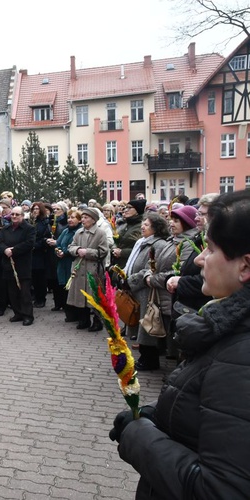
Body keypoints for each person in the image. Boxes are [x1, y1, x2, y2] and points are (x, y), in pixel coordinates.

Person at [111, 189, 250, 498]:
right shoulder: (228, 331)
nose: (200, 259)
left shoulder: (241, 359)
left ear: (245, 266)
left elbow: (219, 489)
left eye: (211, 249)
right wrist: (153, 417)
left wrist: (140, 438)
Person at [150, 205, 200, 360]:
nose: (171, 223)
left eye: (176, 220)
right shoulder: (172, 240)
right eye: (171, 220)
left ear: (187, 222)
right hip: (163, 289)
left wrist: (153, 279)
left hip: (172, 290)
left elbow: (179, 271)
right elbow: (156, 263)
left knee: (177, 334)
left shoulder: (188, 243)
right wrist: (149, 272)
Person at [124, 212, 171, 370]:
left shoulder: (158, 244)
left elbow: (150, 269)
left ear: (156, 228)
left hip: (147, 291)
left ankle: (149, 360)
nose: (142, 226)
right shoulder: (144, 242)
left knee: (148, 326)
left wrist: (131, 280)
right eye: (143, 223)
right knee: (141, 325)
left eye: (147, 224)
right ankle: (145, 358)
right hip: (139, 289)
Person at [66, 208, 109, 331]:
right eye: (82, 217)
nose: (83, 220)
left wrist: (88, 252)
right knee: (80, 295)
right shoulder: (79, 232)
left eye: (86, 217)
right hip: (79, 269)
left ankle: (97, 322)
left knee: (94, 296)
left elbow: (104, 251)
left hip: (93, 269)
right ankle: (83, 320)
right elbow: (71, 246)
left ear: (93, 220)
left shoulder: (100, 233)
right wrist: (77, 250)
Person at [0, 206, 35, 326]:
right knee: (12, 292)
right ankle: (17, 313)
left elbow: (29, 243)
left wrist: (13, 250)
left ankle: (27, 315)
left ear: (22, 216)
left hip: (23, 264)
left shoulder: (29, 229)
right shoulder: (5, 229)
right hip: (8, 264)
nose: (14, 216)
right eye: (12, 214)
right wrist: (5, 250)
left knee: (24, 292)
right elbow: (0, 243)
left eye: (17, 214)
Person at [55, 208, 82, 323]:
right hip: (63, 264)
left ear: (79, 220)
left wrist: (64, 252)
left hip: (73, 262)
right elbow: (58, 243)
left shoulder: (80, 232)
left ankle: (76, 314)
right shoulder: (66, 231)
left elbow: (75, 247)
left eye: (73, 217)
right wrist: (58, 250)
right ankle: (69, 313)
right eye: (69, 217)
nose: (70, 220)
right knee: (65, 288)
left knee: (74, 289)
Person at [46, 201, 69, 312]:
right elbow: (45, 234)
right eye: (54, 210)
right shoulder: (50, 221)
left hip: (62, 252)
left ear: (64, 211)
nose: (55, 211)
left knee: (62, 278)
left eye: (58, 209)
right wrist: (47, 240)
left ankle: (65, 303)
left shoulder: (66, 223)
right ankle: (57, 302)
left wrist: (57, 242)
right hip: (52, 253)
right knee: (54, 278)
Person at [30, 202, 52, 308]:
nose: (35, 210)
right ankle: (36, 297)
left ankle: (41, 298)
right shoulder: (30, 222)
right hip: (31, 253)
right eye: (34, 209)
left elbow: (45, 238)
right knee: (33, 277)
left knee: (40, 277)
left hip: (40, 253)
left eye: (37, 209)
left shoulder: (45, 223)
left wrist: (36, 245)